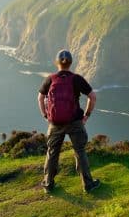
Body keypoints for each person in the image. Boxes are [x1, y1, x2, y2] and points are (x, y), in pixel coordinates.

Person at [37, 49, 100, 194]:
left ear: (56, 62)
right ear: (71, 63)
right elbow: (93, 97)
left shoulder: (50, 79)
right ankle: (88, 184)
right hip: (75, 122)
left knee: (52, 153)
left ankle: (48, 184)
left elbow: (40, 98)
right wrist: (86, 116)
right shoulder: (77, 79)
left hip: (55, 123)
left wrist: (46, 116)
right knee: (80, 151)